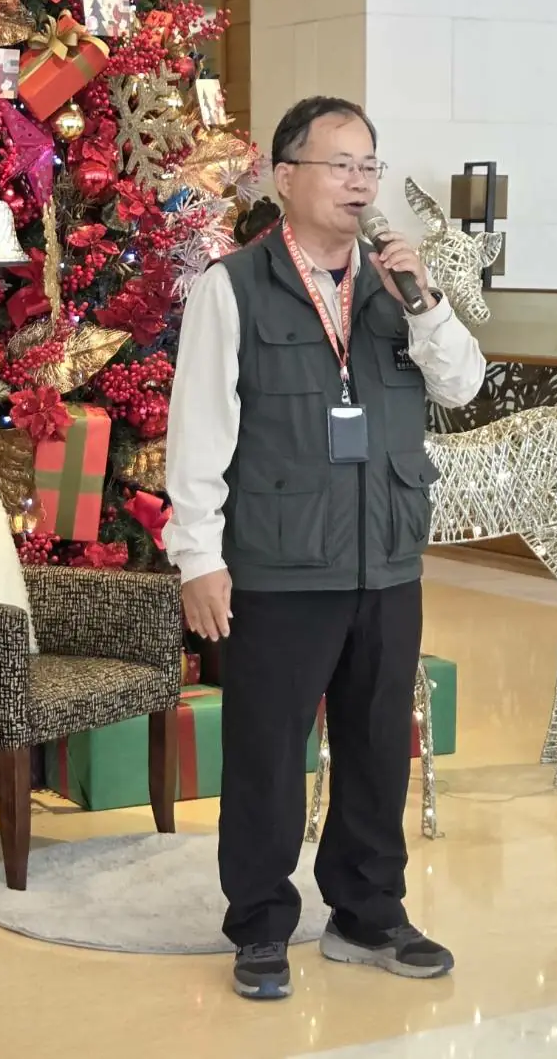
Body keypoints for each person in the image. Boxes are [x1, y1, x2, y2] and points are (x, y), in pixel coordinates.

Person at [165, 97, 486, 1000]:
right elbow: (199, 431)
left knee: (379, 745)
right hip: (278, 560)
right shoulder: (232, 287)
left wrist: (424, 301)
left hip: (385, 557)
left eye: (368, 166)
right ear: (285, 177)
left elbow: (462, 386)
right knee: (268, 751)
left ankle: (367, 913)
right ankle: (261, 925)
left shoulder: (397, 286)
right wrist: (198, 558)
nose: (358, 182)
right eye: (339, 164)